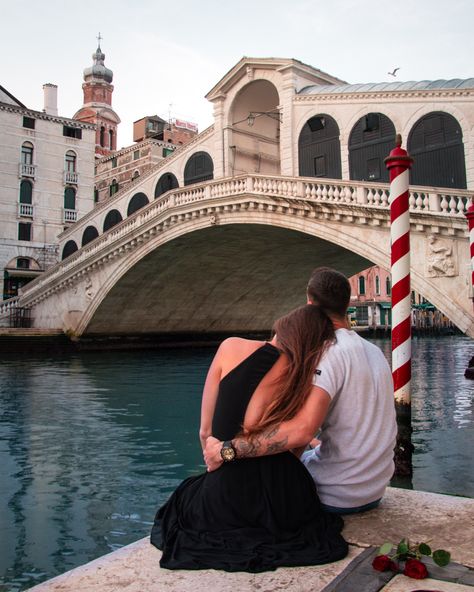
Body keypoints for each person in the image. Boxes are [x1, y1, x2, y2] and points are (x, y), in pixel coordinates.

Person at [150, 304, 348, 572]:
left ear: (283, 325)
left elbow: (205, 432)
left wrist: (215, 466)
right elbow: (297, 441)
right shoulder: (302, 378)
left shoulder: (230, 347)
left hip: (228, 490)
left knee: (183, 500)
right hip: (284, 496)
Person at [205, 267, 397, 514]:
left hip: (336, 494)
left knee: (259, 477)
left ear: (309, 302)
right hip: (374, 489)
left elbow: (301, 431)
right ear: (346, 303)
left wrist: (225, 450)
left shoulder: (325, 355)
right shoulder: (374, 352)